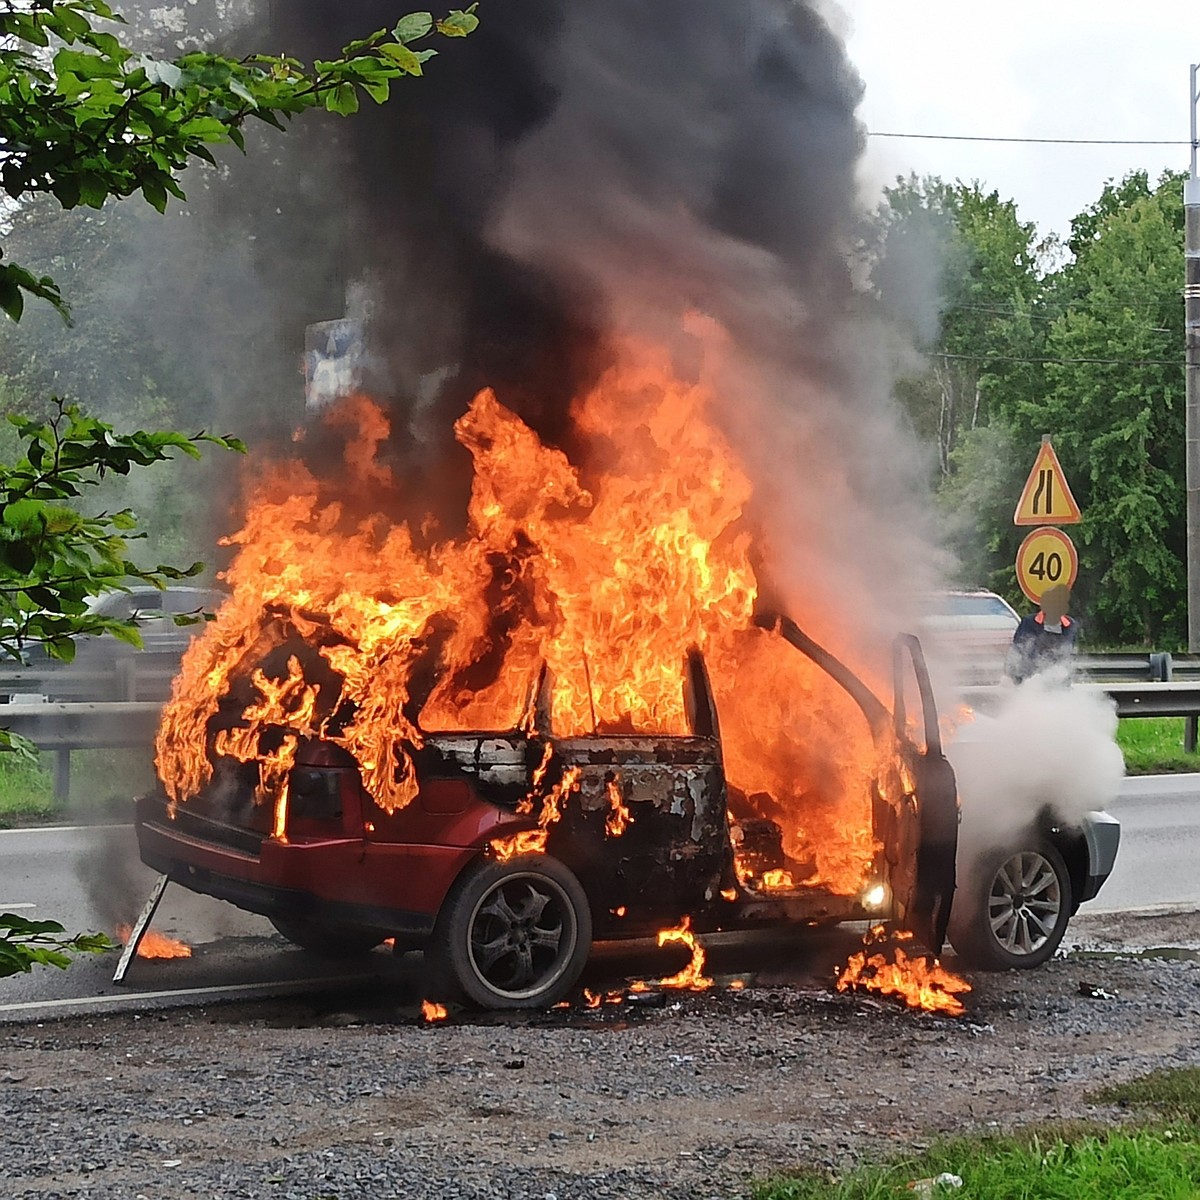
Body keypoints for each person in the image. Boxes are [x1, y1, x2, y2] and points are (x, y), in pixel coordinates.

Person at [1006, 584, 1079, 683]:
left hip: (1059, 681)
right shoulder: (1029, 622)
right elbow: (1017, 649)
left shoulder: (1070, 625)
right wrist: (1013, 676)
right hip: (1031, 680)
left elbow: (1069, 655)